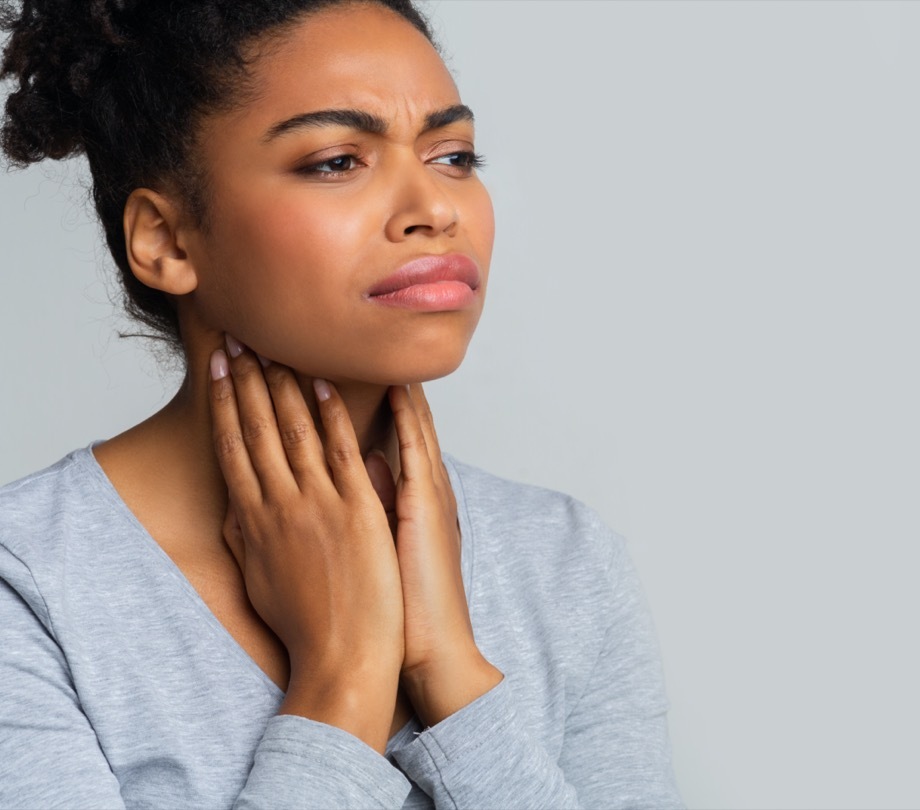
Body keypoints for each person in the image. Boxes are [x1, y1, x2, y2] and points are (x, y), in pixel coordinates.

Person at [0, 1, 683, 807]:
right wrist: (344, 676)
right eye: (336, 161)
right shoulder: (29, 588)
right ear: (167, 239)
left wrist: (452, 673)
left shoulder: (564, 560)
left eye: (454, 155)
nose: (436, 208)